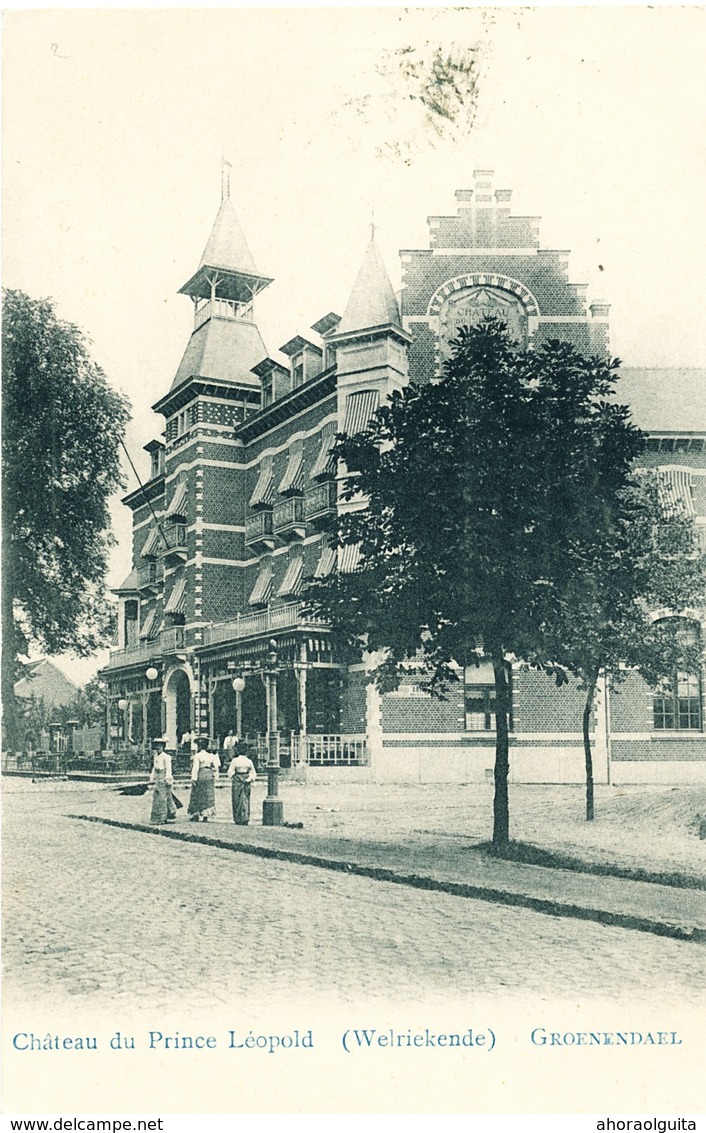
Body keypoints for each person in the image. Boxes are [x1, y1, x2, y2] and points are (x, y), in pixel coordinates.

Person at [188, 735, 220, 822]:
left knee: (198, 794)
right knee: (207, 795)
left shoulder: (197, 756)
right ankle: (206, 815)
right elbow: (217, 766)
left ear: (199, 746)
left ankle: (196, 814)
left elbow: (195, 768)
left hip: (201, 774)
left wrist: (193, 779)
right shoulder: (211, 756)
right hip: (209, 775)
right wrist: (215, 775)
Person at [227, 745, 258, 825]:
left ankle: (238, 818)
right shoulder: (249, 761)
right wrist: (250, 778)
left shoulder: (235, 760)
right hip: (246, 778)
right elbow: (253, 772)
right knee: (245, 798)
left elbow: (230, 771)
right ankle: (245, 817)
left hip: (237, 779)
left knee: (237, 798)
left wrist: (233, 776)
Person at [149, 737, 176, 825]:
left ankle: (162, 817)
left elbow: (168, 769)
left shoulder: (166, 757)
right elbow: (154, 766)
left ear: (163, 747)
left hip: (163, 777)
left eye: (160, 746)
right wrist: (152, 776)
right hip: (158, 777)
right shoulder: (155, 756)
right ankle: (163, 815)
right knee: (158, 796)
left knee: (162, 797)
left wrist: (168, 778)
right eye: (157, 746)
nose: (158, 747)